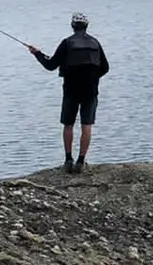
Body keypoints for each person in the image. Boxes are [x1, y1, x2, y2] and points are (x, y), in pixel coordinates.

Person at [27, 12, 110, 173]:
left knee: (68, 124)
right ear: (86, 26)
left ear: (73, 26)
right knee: (87, 124)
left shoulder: (67, 43)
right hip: (91, 89)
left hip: (71, 89)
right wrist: (93, 78)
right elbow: (105, 68)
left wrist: (37, 53)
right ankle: (81, 161)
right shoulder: (95, 43)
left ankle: (68, 159)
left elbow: (50, 65)